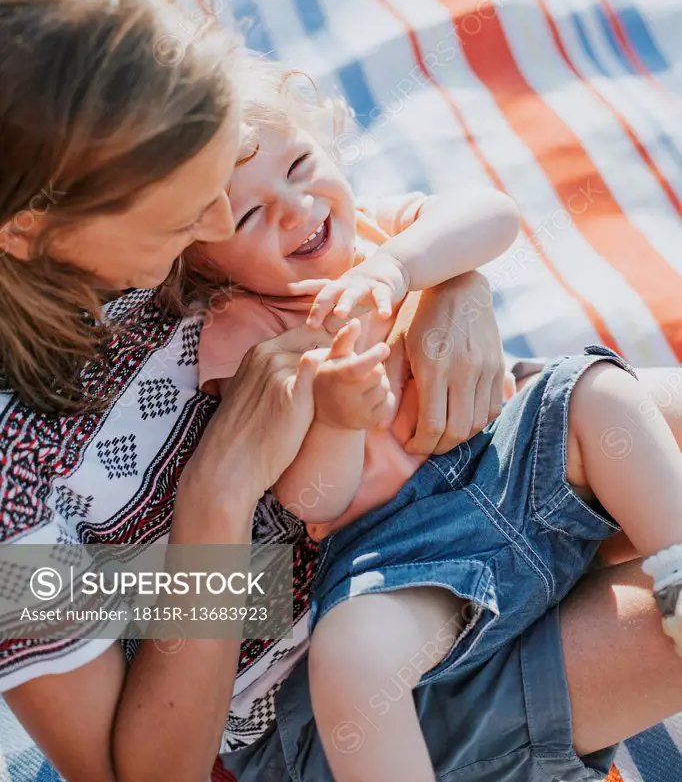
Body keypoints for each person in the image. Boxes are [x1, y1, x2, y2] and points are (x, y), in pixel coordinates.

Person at [0, 0, 679, 782]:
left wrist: (448, 288)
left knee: (642, 418)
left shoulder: (141, 243)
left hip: (456, 466)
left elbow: (356, 235)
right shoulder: (12, 497)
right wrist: (218, 496)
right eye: (186, 198)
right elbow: (151, 776)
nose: (216, 212)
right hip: (338, 672)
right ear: (30, 230)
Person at [195, 90, 682, 781]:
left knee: (601, 392)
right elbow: (309, 496)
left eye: (302, 164)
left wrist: (409, 268)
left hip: (508, 459)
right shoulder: (244, 332)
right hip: (399, 549)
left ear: (331, 147)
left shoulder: (378, 232)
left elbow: (494, 215)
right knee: (353, 659)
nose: (294, 208)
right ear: (209, 266)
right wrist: (336, 420)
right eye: (248, 214)